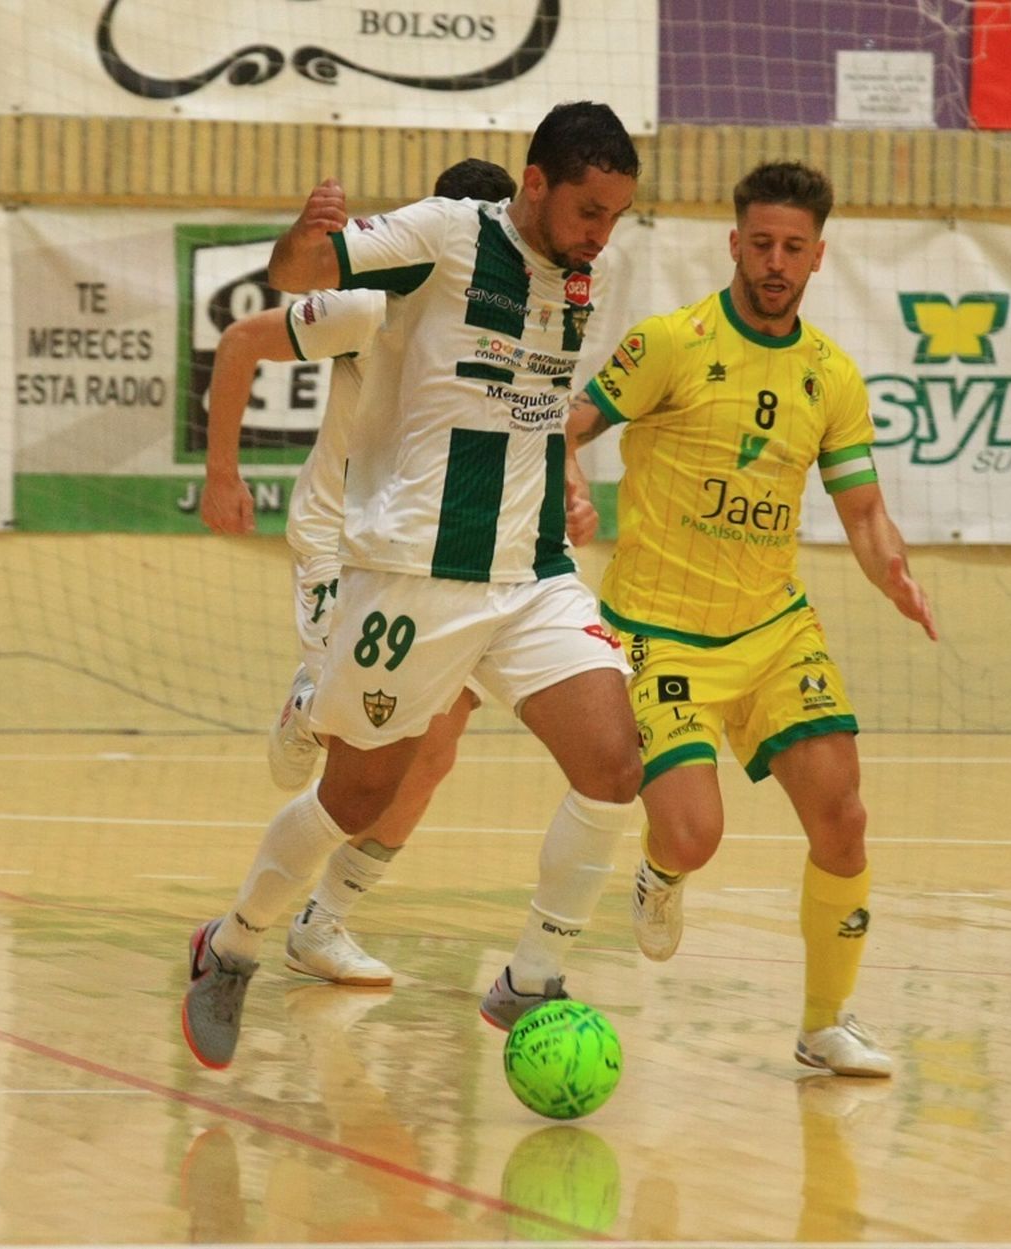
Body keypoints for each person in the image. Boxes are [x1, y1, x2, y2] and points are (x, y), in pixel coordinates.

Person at [182, 102, 645, 1070]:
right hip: (412, 577)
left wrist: (567, 486)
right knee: (356, 796)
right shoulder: (443, 235)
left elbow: (536, 406)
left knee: (611, 762)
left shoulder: (587, 278)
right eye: (588, 211)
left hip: (530, 577)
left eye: (614, 215)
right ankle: (234, 945)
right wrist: (305, 238)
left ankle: (532, 976)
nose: (600, 233)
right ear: (534, 185)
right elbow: (295, 277)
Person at [568, 160, 938, 1077]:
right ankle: (662, 872)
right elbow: (564, 424)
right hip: (657, 629)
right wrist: (570, 477)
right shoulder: (670, 342)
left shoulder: (832, 375)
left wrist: (892, 570)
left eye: (794, 247)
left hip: (773, 629)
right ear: (735, 243)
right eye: (761, 243)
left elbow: (860, 509)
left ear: (819, 256)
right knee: (695, 832)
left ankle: (825, 1024)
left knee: (843, 816)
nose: (776, 261)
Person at [196, 160, 527, 992]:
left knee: (436, 747)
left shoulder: (520, 320)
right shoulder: (373, 302)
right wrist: (222, 473)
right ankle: (313, 705)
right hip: (343, 548)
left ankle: (325, 921)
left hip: (446, 561)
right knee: (363, 741)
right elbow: (240, 341)